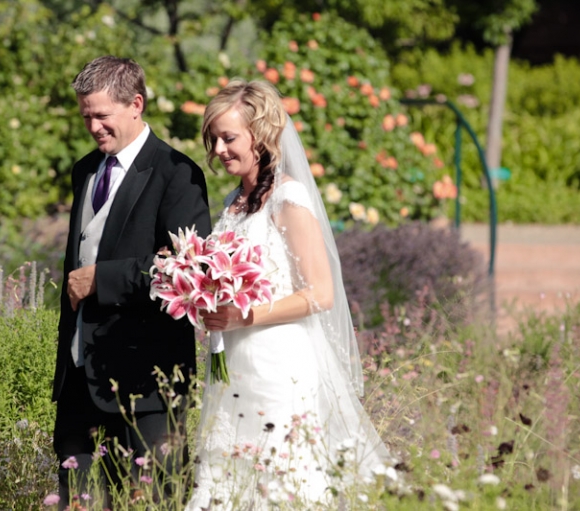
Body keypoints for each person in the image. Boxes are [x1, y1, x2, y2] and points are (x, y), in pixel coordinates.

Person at [186, 80, 391, 510]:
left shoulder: (288, 196)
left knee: (283, 480)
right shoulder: (232, 204)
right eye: (215, 139)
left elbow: (321, 294)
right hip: (233, 364)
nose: (220, 149)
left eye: (229, 137)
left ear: (259, 135)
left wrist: (244, 316)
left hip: (278, 366)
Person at [52, 55, 212, 507]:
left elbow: (190, 272)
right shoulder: (85, 169)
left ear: (136, 104)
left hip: (148, 386)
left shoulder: (177, 174)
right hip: (80, 377)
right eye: (86, 116)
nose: (93, 127)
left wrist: (101, 279)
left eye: (102, 115)